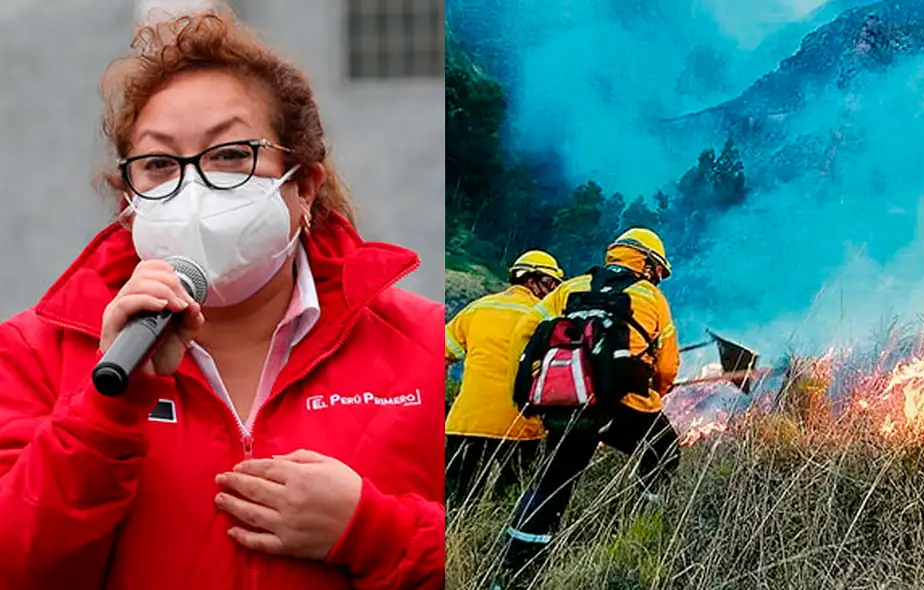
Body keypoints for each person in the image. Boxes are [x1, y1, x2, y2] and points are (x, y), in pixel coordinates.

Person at [0, 10, 443, 590]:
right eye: (159, 164)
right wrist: (106, 411)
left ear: (302, 186)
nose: (194, 188)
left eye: (231, 154)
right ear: (129, 201)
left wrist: (373, 531)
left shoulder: (424, 345)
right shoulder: (35, 353)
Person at [493, 228, 682, 588]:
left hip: (568, 399)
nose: (658, 277)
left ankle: (515, 570)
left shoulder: (571, 287)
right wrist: (656, 391)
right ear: (646, 264)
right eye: (658, 270)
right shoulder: (650, 296)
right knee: (664, 451)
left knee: (553, 481)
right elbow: (667, 367)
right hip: (623, 403)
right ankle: (643, 527)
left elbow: (524, 331)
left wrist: (531, 385)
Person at [445, 250, 564, 506]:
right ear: (532, 280)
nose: (553, 290)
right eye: (551, 283)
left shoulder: (478, 308)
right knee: (509, 503)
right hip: (520, 425)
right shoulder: (547, 318)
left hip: (466, 422)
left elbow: (438, 354)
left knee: (455, 503)